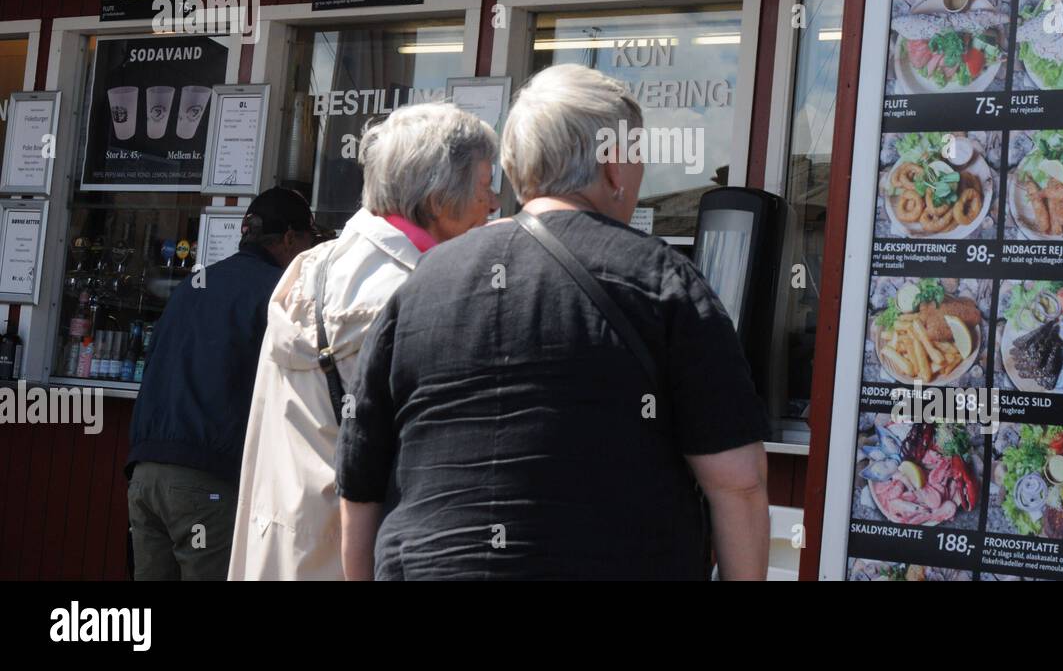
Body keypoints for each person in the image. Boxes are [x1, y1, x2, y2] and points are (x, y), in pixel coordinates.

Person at [337, 64, 771, 581]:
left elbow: (359, 487)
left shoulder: (420, 284)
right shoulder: (663, 281)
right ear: (612, 165)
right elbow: (738, 483)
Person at [228, 102, 499, 580]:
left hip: (285, 551)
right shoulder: (412, 295)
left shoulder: (314, 265)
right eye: (483, 186)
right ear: (438, 199)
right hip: (363, 562)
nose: (495, 202)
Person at [127, 187, 317, 581]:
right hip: (204, 486)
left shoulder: (191, 288)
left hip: (145, 479)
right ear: (288, 239)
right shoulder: (277, 295)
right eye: (307, 242)